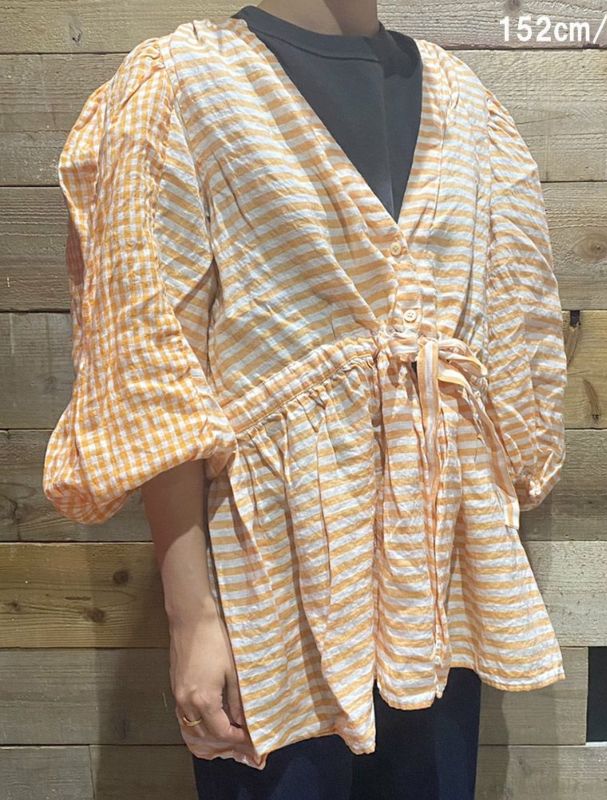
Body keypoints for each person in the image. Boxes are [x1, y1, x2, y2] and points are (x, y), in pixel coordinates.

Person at [42, 1, 569, 797]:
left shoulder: (469, 103)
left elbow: (518, 324)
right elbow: (149, 364)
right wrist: (192, 618)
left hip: (441, 583)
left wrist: (513, 473)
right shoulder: (184, 84)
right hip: (273, 590)